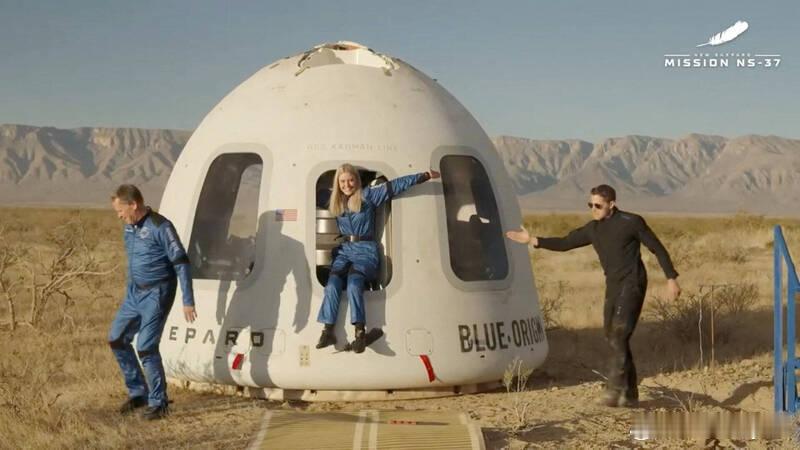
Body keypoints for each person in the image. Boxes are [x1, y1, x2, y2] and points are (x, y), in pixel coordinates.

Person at [506, 184, 681, 408]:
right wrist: (532, 240)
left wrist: (671, 278)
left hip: (633, 283)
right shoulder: (593, 229)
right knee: (612, 336)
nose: (593, 209)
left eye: (598, 205)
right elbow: (565, 243)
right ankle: (631, 393)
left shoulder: (631, 222)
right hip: (614, 285)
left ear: (612, 205)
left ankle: (614, 389)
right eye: (590, 205)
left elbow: (658, 248)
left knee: (619, 335)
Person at [316, 164, 439, 353]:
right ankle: (328, 329)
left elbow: (395, 186)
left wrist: (423, 176)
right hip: (345, 250)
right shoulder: (334, 201)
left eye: (350, 180)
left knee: (354, 283)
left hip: (365, 250)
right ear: (337, 183)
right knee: (332, 284)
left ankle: (359, 331)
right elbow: (306, 193)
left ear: (356, 180)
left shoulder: (368, 196)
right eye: (342, 181)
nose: (347, 185)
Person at [108, 184, 196, 420]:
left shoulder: (161, 227)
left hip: (157, 294)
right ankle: (139, 392)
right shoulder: (129, 229)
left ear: (133, 204)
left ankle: (159, 402)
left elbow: (181, 263)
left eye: (120, 210)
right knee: (116, 338)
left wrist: (188, 300)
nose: (119, 215)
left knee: (146, 346)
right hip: (134, 294)